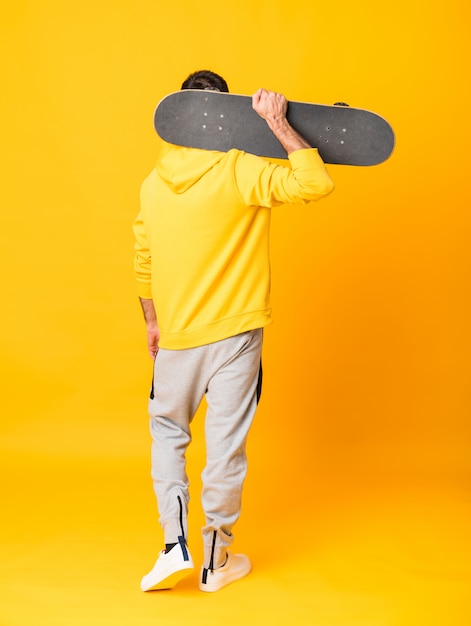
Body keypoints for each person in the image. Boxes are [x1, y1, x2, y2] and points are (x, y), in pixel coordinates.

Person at [133, 69, 334, 593]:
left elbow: (143, 258)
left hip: (176, 335)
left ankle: (173, 545)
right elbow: (316, 182)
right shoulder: (241, 169)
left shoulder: (153, 183)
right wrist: (279, 125)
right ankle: (215, 562)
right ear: (226, 114)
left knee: (168, 434)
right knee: (225, 447)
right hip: (235, 336)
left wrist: (153, 322)